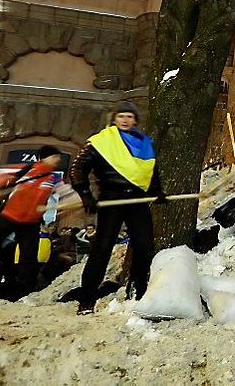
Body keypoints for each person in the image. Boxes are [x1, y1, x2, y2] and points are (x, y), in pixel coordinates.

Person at [70, 101, 165, 314]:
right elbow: (78, 168)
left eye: (129, 116)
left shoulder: (145, 144)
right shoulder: (102, 141)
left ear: (135, 120)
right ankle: (87, 300)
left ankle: (137, 292)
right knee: (102, 248)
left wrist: (157, 192)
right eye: (121, 116)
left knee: (144, 245)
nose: (125, 120)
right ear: (114, 119)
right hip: (112, 201)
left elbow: (151, 171)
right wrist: (85, 194)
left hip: (137, 202)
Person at [0, 147, 63, 302]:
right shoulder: (29, 169)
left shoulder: (53, 178)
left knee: (28, 258)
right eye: (56, 156)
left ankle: (24, 292)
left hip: (31, 221)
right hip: (10, 215)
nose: (58, 160)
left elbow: (65, 192)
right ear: (46, 157)